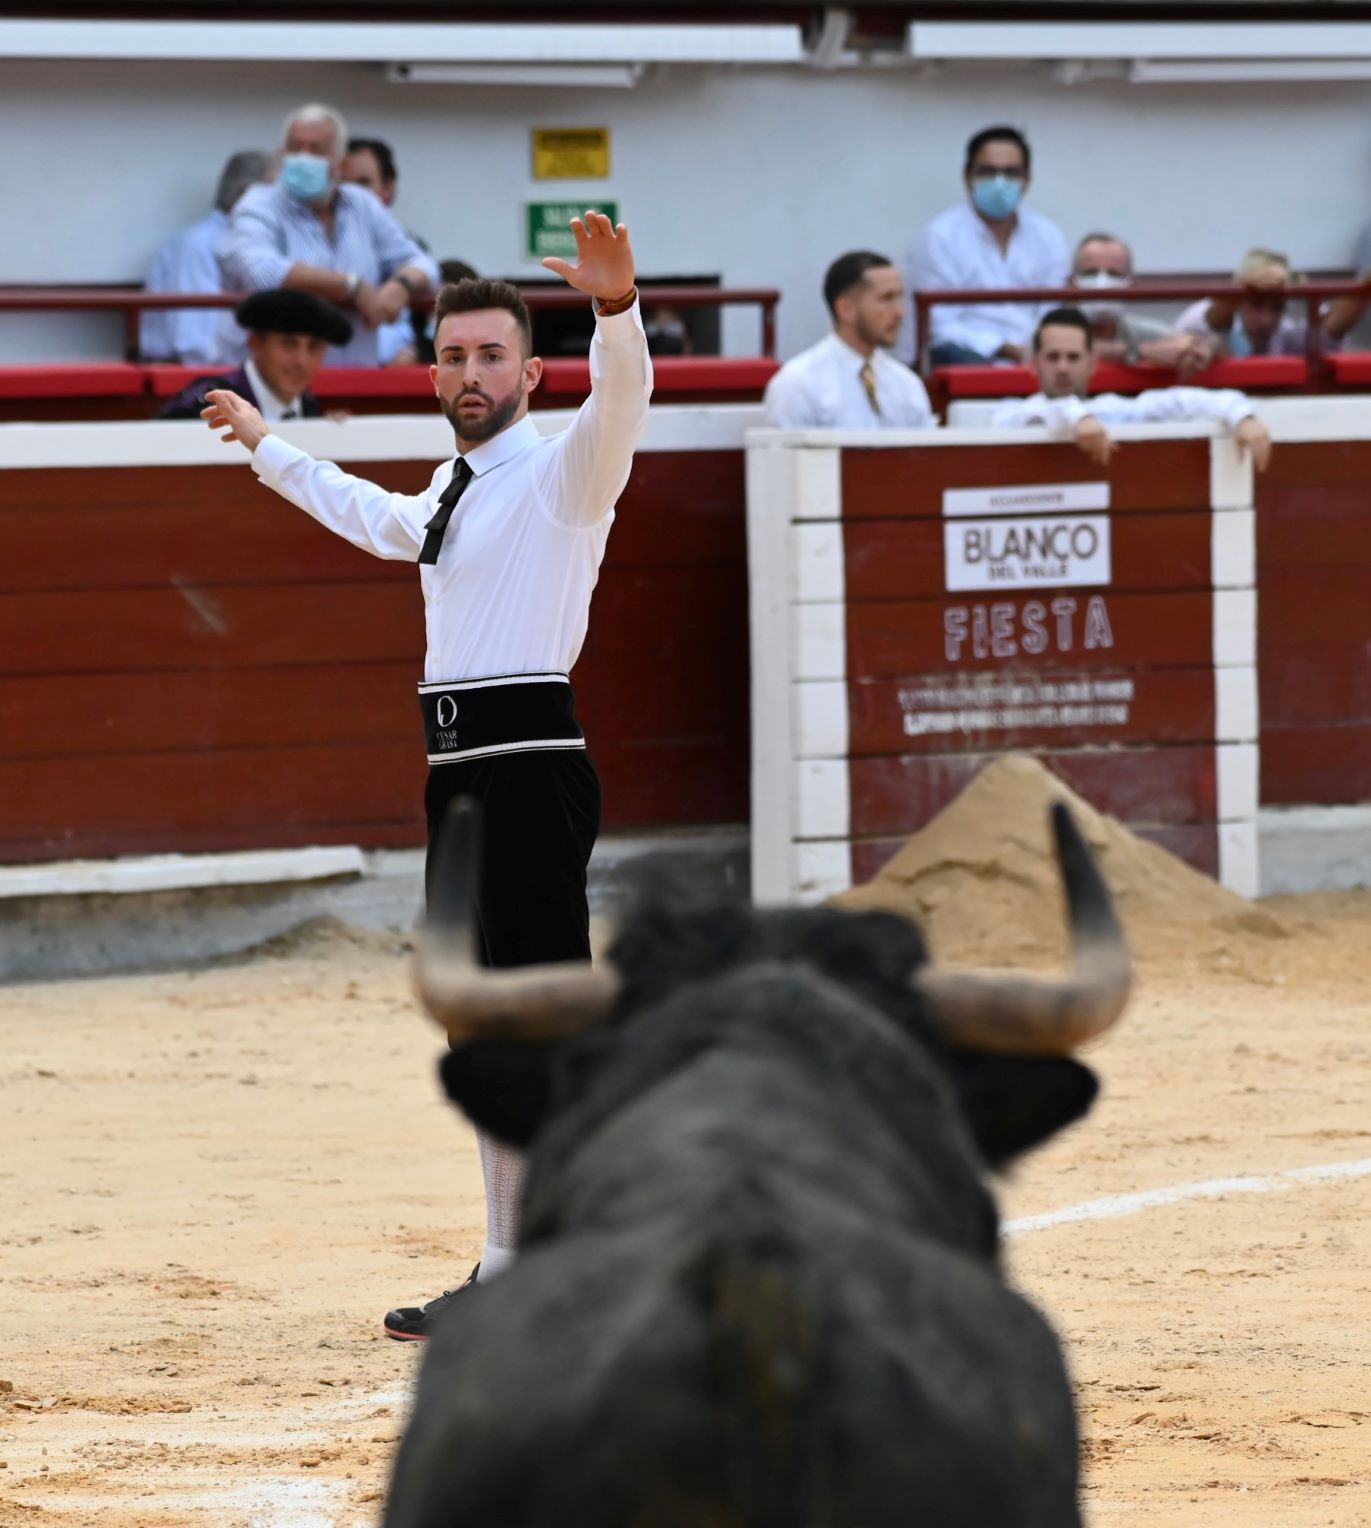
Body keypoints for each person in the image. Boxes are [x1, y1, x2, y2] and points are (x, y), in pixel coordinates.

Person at [199, 211, 651, 1340]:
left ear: (532, 374)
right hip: (458, 772)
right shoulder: (455, 486)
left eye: (492, 354)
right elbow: (378, 520)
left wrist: (616, 310)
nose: (470, 372)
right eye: (453, 356)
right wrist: (266, 446)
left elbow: (623, 404)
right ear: (433, 373)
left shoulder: (562, 475)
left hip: (528, 768)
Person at [217, 103, 438, 367]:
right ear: (281, 154)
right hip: (276, 379)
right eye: (295, 148)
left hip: (355, 373)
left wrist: (401, 285)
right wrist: (351, 286)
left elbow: (423, 263)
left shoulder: (362, 204)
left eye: (316, 150)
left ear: (341, 164)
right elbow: (261, 271)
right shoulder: (258, 204)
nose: (303, 157)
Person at [992, 307, 1272, 470]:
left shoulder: (1109, 410)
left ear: (1092, 363)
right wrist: (1078, 417)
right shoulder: (1011, 414)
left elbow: (1179, 401)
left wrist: (1242, 416)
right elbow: (1047, 412)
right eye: (1053, 357)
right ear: (1034, 364)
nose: (1063, 367)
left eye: (1073, 357)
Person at [906, 125, 1069, 367]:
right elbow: (938, 326)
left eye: (1011, 173)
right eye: (988, 172)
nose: (1000, 182)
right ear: (967, 177)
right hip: (967, 361)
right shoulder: (940, 237)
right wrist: (1007, 349)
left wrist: (1039, 350)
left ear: (1027, 180)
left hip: (1040, 361)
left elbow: (1052, 312)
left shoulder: (1048, 236)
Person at [764, 251, 934, 429]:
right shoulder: (799, 384)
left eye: (899, 297)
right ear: (846, 310)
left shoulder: (906, 383)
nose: (899, 313)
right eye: (886, 298)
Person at [139, 150, 272, 364]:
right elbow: (195, 347)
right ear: (246, 194)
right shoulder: (199, 245)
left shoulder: (250, 242)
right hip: (187, 374)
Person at [158, 289, 351, 420]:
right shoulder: (208, 403)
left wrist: (329, 434)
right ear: (255, 343)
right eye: (288, 344)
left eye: (314, 348)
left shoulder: (308, 406)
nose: (301, 361)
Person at [1176, 247, 1367, 358]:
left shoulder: (1285, 330)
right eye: (1256, 305)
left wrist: (1367, 283)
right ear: (1238, 300)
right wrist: (1247, 284)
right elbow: (1212, 321)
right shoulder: (1201, 313)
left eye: (1277, 308)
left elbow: (1329, 332)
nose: (1266, 320)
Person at [341, 135, 432, 365]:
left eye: (363, 183)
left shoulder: (412, 249)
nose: (352, 194)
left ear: (388, 188)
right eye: (342, 184)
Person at [1071, 232, 1215, 375]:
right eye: (1090, 273)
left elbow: (1211, 341)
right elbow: (1073, 348)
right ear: (1072, 281)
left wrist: (1199, 350)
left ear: (1130, 283)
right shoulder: (1059, 324)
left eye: (1113, 274)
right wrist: (1143, 351)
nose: (1101, 283)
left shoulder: (1136, 330)